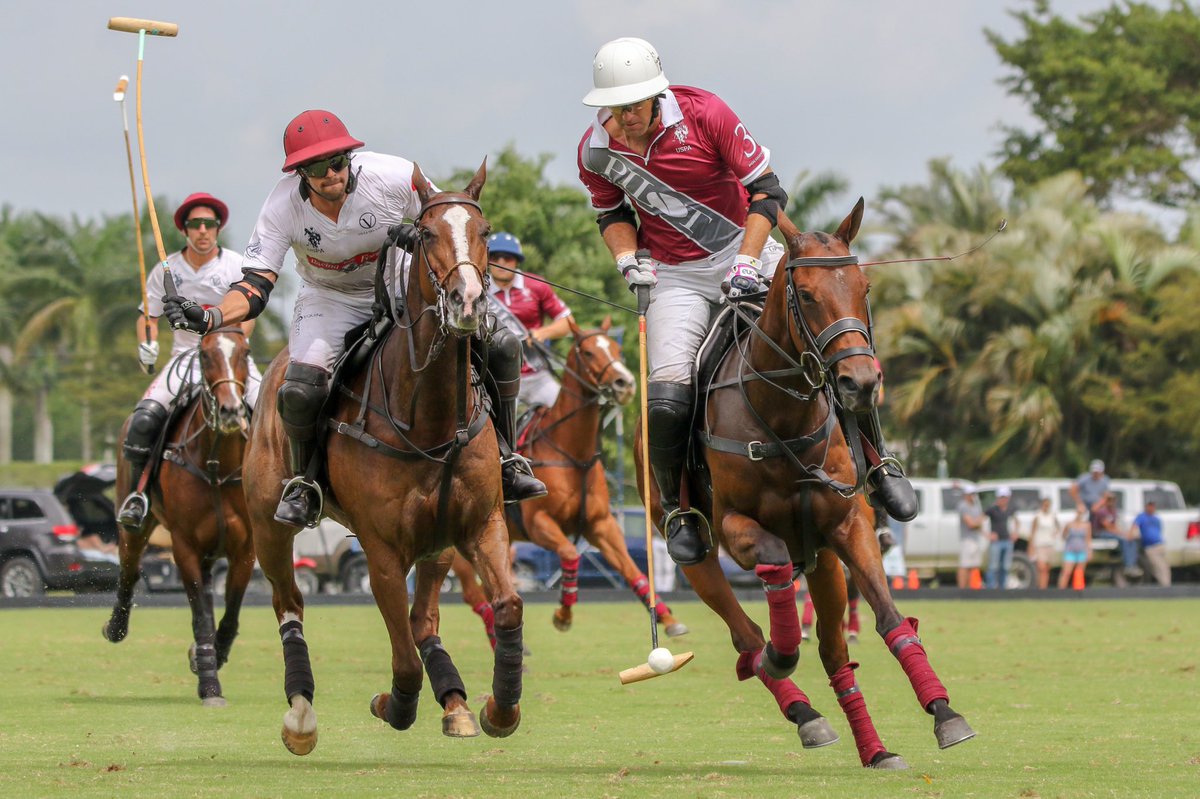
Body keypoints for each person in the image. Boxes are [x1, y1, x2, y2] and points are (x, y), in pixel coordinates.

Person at [575, 37, 916, 564]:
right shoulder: (595, 150)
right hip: (674, 276)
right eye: (615, 108)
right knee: (667, 394)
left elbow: (767, 190)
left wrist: (744, 260)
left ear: (656, 96)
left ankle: (877, 463)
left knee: (825, 350)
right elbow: (612, 213)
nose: (625, 117)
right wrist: (626, 259)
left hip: (744, 248)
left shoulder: (706, 113)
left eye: (634, 106)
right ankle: (678, 507)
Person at [162, 110, 544, 528]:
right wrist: (213, 314)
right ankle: (306, 483)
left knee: (503, 346)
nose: (331, 174)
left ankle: (508, 457)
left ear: (350, 157)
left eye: (338, 161)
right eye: (316, 167)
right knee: (301, 390)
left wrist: (422, 234)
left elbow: (447, 215)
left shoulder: (394, 175)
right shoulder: (281, 206)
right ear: (299, 172)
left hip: (400, 282)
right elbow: (255, 284)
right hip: (329, 297)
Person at [116, 193, 263, 530]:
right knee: (144, 418)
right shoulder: (166, 270)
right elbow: (148, 316)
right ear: (185, 230)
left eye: (208, 224)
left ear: (218, 228)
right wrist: (146, 343)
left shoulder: (235, 266)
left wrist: (238, 340)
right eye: (195, 225)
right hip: (186, 357)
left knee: (270, 414)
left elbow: (249, 311)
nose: (202, 231)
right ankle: (138, 496)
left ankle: (286, 490)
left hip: (230, 354)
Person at [485, 232, 574, 410]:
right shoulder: (479, 289)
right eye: (495, 257)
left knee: (567, 414)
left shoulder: (537, 286)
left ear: (517, 261)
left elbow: (568, 322)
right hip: (497, 378)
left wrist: (542, 333)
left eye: (507, 258)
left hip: (537, 376)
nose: (501, 263)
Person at [1091, 491, 1140, 578]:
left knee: (1132, 539)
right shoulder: (1102, 511)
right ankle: (1128, 566)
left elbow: (1114, 526)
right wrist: (1123, 534)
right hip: (1100, 532)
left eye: (1113, 500)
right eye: (1109, 500)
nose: (1111, 502)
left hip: (1110, 532)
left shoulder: (1113, 511)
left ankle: (1133, 564)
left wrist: (1126, 533)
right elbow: (1108, 527)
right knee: (1124, 539)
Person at [1129, 500, 1170, 586]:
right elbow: (1134, 527)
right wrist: (1131, 535)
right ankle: (1164, 585)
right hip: (1150, 547)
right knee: (1157, 566)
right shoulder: (1142, 517)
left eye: (1153, 506)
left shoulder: (1156, 519)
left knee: (1164, 566)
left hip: (1160, 545)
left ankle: (1166, 585)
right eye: (1150, 506)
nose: (1151, 508)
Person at [983, 486, 1016, 589]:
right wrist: (987, 534)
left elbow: (1016, 521)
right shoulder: (992, 509)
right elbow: (979, 521)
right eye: (1002, 497)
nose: (1004, 499)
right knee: (993, 566)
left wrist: (1015, 533)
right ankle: (991, 588)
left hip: (1007, 541)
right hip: (996, 542)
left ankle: (1002, 589)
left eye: (1005, 497)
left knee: (1005, 567)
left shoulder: (1010, 509)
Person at [1027, 495, 1060, 590]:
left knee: (1047, 568)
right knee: (1041, 568)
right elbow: (1032, 532)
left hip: (1050, 544)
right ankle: (1040, 588)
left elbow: (1058, 527)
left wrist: (1055, 534)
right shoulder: (1037, 516)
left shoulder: (1052, 516)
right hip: (1040, 545)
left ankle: (1044, 588)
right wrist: (1031, 546)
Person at [956, 486, 985, 588]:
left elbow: (979, 522)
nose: (972, 496)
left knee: (973, 566)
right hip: (967, 539)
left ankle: (970, 589)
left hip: (975, 538)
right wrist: (978, 521)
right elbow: (971, 524)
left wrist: (977, 522)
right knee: (964, 565)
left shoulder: (976, 507)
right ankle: (962, 589)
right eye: (970, 494)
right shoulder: (963, 506)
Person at [1058, 503, 1092, 589]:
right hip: (1070, 550)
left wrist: (1089, 551)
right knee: (1066, 572)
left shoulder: (1087, 525)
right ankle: (1060, 592)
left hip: (1081, 550)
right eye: (1078, 512)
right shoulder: (1070, 524)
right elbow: (1063, 536)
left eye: (1082, 512)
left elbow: (1088, 539)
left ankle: (1078, 591)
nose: (1080, 514)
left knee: (1079, 572)